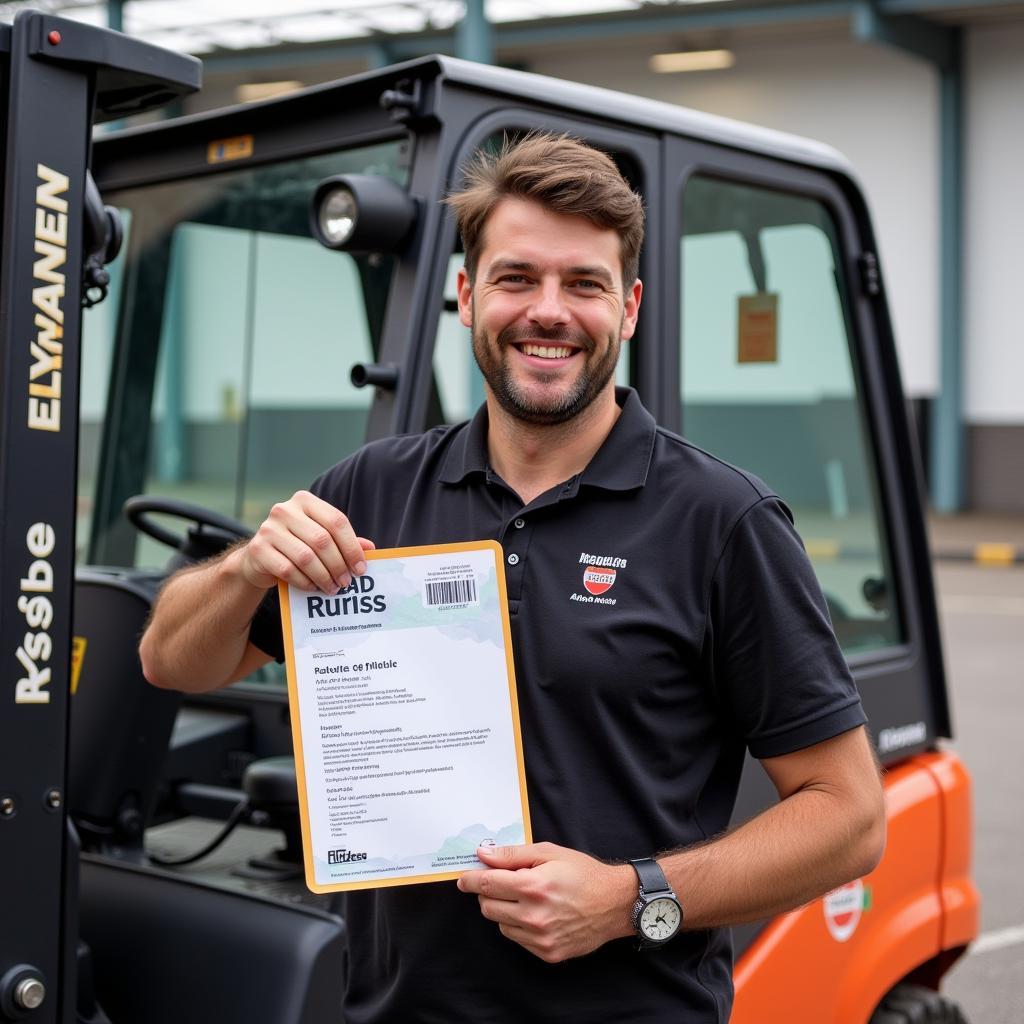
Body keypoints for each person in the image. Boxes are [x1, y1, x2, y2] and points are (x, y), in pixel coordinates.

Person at [141, 133, 885, 1023]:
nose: (549, 311)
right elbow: (169, 661)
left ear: (630, 307)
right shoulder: (370, 489)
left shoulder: (722, 521)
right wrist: (245, 571)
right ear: (465, 295)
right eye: (516, 278)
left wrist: (629, 897)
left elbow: (849, 814)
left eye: (584, 284)